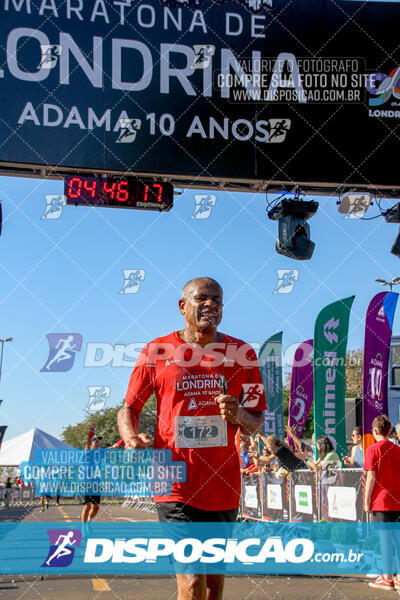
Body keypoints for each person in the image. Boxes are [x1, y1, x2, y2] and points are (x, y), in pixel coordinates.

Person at [117, 277, 266, 600]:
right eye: (202, 298)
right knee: (191, 581)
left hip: (222, 484)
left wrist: (239, 415)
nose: (211, 305)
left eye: (217, 300)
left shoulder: (243, 354)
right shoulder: (157, 351)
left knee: (213, 583)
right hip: (173, 480)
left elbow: (257, 420)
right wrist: (130, 437)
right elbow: (129, 408)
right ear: (182, 306)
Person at [364, 414, 400, 590]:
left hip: (382, 500)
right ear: (389, 430)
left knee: (385, 539)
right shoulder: (397, 449)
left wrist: (366, 499)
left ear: (375, 431)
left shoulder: (372, 450)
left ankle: (387, 577)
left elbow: (371, 476)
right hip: (398, 499)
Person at [81, 426, 103, 529]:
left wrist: (124, 440)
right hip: (86, 482)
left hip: (96, 483)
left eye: (98, 441)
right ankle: (83, 527)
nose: (98, 442)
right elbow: (88, 444)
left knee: (96, 507)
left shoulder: (99, 454)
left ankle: (89, 521)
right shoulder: (87, 453)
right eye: (95, 441)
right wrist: (91, 434)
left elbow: (113, 447)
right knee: (87, 506)